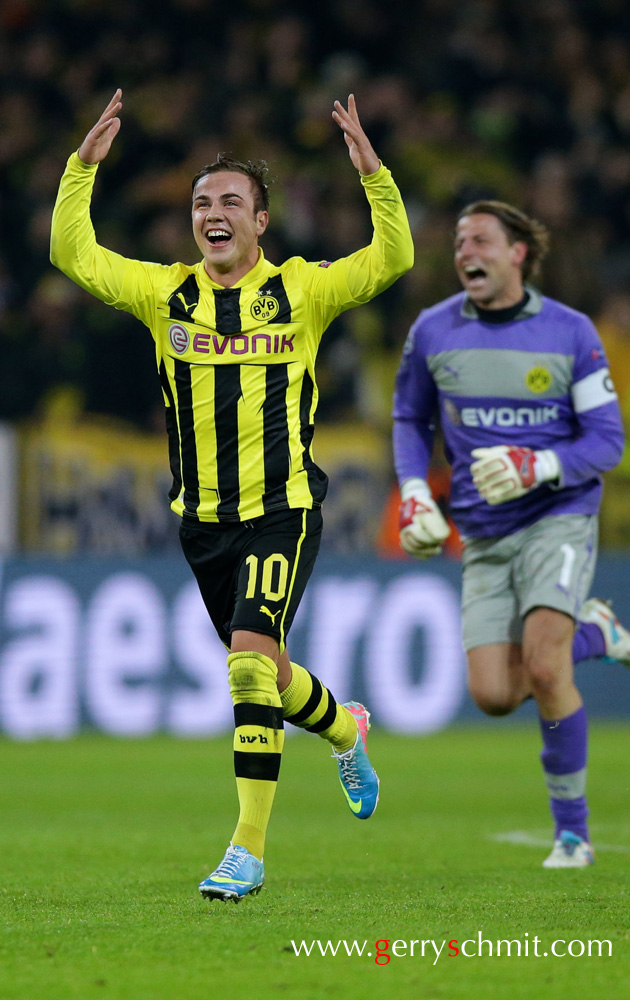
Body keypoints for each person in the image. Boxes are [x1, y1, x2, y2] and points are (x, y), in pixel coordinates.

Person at [51, 89, 413, 901]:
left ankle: (246, 850)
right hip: (203, 525)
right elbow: (72, 255)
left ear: (259, 224)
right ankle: (346, 727)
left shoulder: (305, 291)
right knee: (270, 673)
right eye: (200, 203)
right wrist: (82, 170)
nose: (211, 213)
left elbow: (391, 260)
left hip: (283, 509)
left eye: (229, 203)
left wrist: (372, 176)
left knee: (248, 671)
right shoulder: (163, 294)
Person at [393, 200, 630, 869]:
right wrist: (416, 491)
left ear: (517, 254)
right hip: (481, 533)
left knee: (543, 665)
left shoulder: (568, 332)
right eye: (456, 242)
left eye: (480, 239)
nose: (463, 252)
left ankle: (571, 834)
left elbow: (606, 440)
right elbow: (409, 419)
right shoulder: (432, 331)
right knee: (493, 695)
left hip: (556, 517)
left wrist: (536, 465)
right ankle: (594, 632)